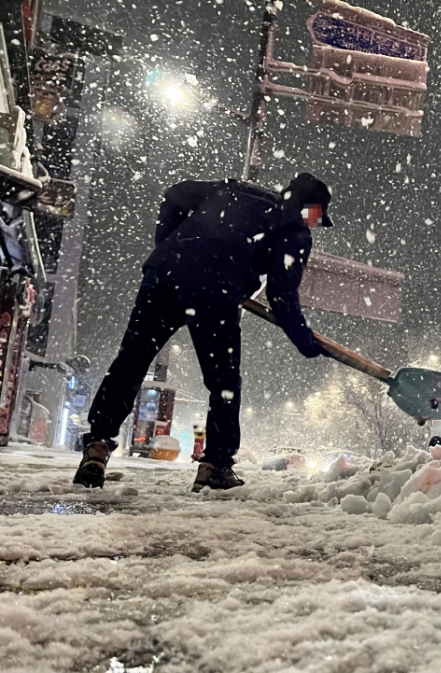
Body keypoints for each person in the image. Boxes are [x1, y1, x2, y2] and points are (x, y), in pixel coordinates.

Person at [73, 172, 332, 492]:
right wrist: (304, 340)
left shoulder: (236, 191)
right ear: (312, 208)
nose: (315, 224)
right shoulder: (294, 231)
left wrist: (170, 245)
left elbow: (175, 194)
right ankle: (215, 466)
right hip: (216, 290)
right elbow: (282, 297)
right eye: (319, 217)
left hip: (164, 274)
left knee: (130, 362)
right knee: (223, 382)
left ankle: (97, 445)